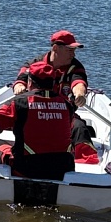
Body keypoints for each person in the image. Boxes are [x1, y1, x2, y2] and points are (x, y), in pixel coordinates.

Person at [0, 61, 77, 179]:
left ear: (30, 82)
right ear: (53, 83)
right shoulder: (67, 105)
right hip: (63, 168)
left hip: (27, 168)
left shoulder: (20, 103)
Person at [12, 30, 98, 164]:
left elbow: (79, 81)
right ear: (55, 48)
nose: (73, 54)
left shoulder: (75, 66)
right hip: (35, 112)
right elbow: (21, 78)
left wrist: (80, 93)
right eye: (70, 50)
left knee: (80, 128)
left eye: (74, 50)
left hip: (61, 114)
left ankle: (85, 162)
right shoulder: (35, 63)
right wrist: (19, 86)